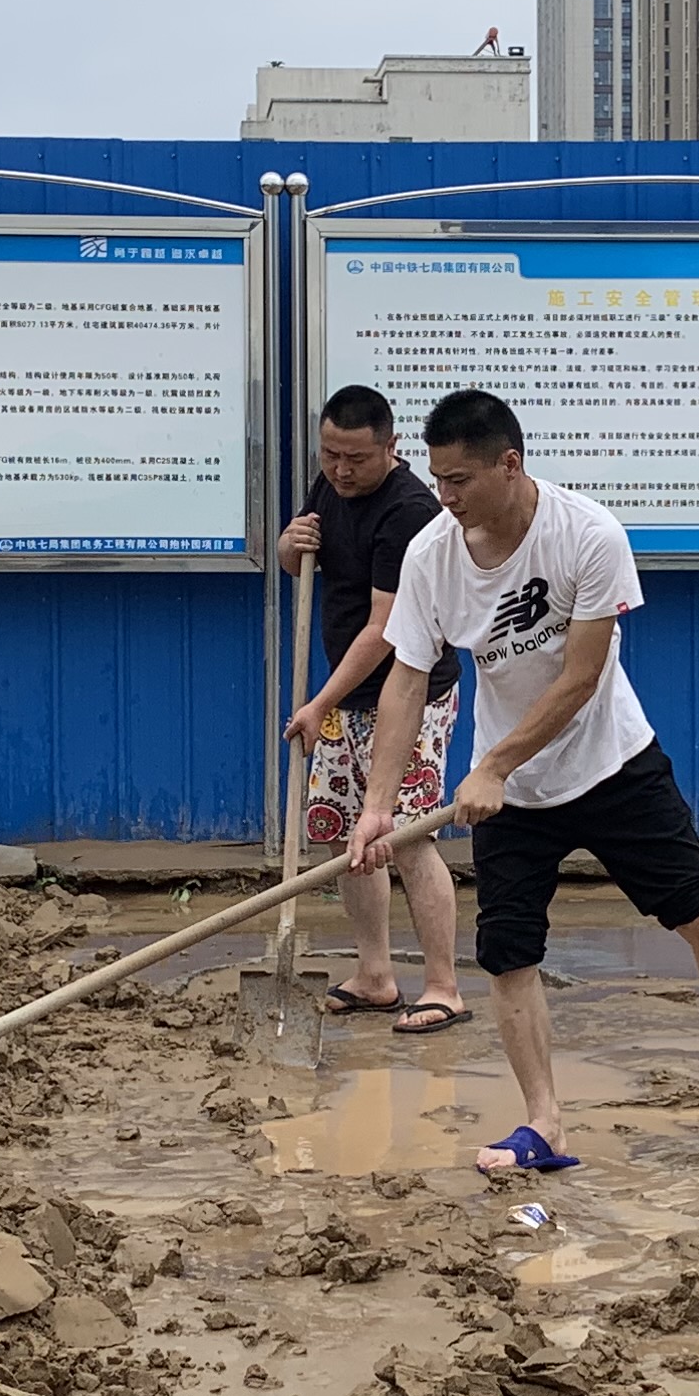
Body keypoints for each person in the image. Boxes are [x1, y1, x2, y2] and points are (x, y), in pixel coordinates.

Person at [348, 389, 699, 1176]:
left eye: (461, 479)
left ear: (511, 465)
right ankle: (545, 1123)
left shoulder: (588, 534)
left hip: (611, 763)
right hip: (513, 796)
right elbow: (406, 682)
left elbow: (581, 677)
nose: (446, 497)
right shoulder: (432, 554)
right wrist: (377, 808)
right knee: (508, 957)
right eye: (438, 479)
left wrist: (494, 765)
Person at [277, 384, 465, 1034]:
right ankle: (376, 975)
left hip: (410, 693)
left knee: (406, 839)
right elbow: (294, 563)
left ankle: (442, 985)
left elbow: (385, 628)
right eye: (330, 454)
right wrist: (289, 542)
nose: (339, 470)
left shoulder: (409, 511)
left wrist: (315, 702)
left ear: (391, 447)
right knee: (337, 833)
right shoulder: (330, 484)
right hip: (343, 698)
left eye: (355, 458)